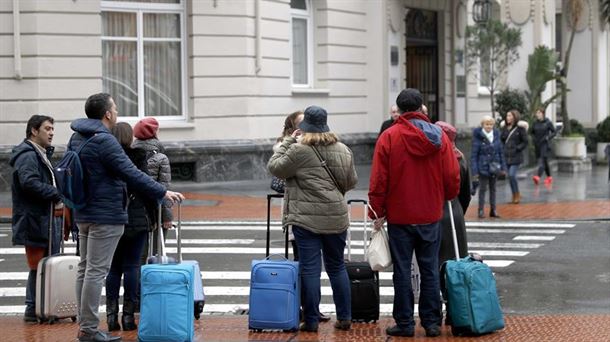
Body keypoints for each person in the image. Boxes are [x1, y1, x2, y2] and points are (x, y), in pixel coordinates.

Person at [71, 93, 184, 342]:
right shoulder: (105, 140)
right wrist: (162, 191)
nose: (118, 111)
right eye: (115, 108)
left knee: (85, 268)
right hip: (106, 214)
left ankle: (85, 323)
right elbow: (131, 173)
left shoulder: (77, 137)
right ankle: (88, 330)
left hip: (84, 211)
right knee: (96, 271)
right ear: (107, 114)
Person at [369, 88, 460, 337]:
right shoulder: (439, 137)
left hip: (400, 215)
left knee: (402, 270)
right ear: (421, 108)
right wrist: (448, 195)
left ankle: (405, 322)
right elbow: (452, 174)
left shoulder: (389, 136)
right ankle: (431, 322)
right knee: (429, 267)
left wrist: (376, 210)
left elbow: (379, 179)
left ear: (398, 109)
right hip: (430, 212)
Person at [268, 105, 358, 333]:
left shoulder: (299, 150)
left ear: (304, 127)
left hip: (305, 219)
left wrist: (288, 141)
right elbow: (351, 182)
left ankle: (311, 320)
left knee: (310, 269)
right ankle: (345, 316)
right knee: (337, 267)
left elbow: (275, 167)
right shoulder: (343, 149)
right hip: (336, 217)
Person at [272, 110, 332, 324]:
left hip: (316, 213)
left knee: (313, 266)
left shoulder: (319, 144)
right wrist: (291, 142)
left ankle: (311, 310)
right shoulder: (287, 145)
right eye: (301, 123)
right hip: (298, 213)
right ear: (293, 127)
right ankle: (302, 308)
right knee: (303, 264)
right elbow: (276, 169)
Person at [10, 115, 63, 322]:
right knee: (39, 265)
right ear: (34, 131)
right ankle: (33, 309)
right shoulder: (28, 155)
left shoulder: (39, 153)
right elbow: (28, 182)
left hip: (42, 218)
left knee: (46, 264)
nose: (51, 133)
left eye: (52, 129)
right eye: (47, 129)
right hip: (35, 218)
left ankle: (42, 307)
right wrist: (55, 193)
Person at [105, 122, 156, 332]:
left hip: (112, 217)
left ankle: (110, 316)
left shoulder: (106, 157)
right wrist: (152, 216)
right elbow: (146, 186)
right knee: (133, 266)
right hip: (135, 217)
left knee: (113, 268)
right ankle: (128, 316)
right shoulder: (138, 156)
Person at [132, 118, 172, 257]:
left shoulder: (128, 154)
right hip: (156, 209)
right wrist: (167, 217)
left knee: (138, 253)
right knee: (157, 252)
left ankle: (139, 276)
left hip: (135, 210)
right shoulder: (161, 158)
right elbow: (164, 189)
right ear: (154, 133)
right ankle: (152, 276)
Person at [435, 121, 470, 265]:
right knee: (456, 260)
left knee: (437, 261)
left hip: (437, 211)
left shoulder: (434, 157)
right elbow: (466, 193)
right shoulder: (460, 158)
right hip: (455, 210)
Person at [471, 115, 506, 219]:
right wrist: (475, 171)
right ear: (482, 125)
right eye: (487, 124)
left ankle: (493, 210)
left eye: (491, 124)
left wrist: (503, 168)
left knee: (493, 189)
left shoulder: (496, 135)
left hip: (494, 167)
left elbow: (500, 152)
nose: (489, 126)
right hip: (482, 168)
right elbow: (474, 156)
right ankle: (480, 210)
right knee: (482, 189)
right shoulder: (478, 137)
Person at [500, 110, 529, 204]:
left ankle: (516, 194)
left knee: (512, 174)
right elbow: (502, 140)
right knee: (509, 176)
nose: (508, 117)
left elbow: (525, 141)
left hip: (516, 156)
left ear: (514, 117)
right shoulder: (504, 128)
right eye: (507, 115)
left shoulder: (520, 129)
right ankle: (514, 195)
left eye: (510, 116)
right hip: (507, 155)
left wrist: (518, 148)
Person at [530, 108, 556, 186]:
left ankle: (538, 176)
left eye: (539, 113)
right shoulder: (535, 123)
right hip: (537, 144)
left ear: (542, 114)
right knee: (545, 162)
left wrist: (548, 137)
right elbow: (531, 132)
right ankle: (549, 177)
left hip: (545, 144)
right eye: (536, 113)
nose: (537, 114)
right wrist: (533, 139)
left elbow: (554, 132)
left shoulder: (548, 122)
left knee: (541, 160)